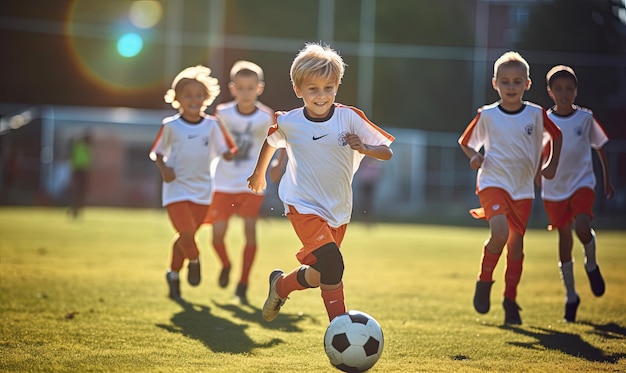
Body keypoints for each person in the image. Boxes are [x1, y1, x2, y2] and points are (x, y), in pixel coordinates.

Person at [247, 42, 395, 323]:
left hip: (338, 210)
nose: (321, 95)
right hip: (302, 205)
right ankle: (340, 327)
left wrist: (364, 147)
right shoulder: (290, 122)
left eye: (328, 87)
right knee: (334, 264)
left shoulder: (349, 118)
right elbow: (270, 142)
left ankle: (280, 286)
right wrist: (259, 175)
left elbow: (386, 151)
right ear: (298, 90)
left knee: (321, 274)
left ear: (337, 86)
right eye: (313, 89)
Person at [458, 51, 563, 325]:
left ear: (527, 84)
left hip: (523, 189)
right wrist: (475, 157)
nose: (511, 86)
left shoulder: (536, 114)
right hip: (493, 182)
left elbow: (557, 135)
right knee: (501, 233)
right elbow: (466, 142)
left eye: (517, 81)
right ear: (495, 84)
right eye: (505, 81)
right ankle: (484, 281)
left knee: (516, 248)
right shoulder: (488, 115)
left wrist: (550, 164)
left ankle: (510, 300)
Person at [150, 65, 238, 300]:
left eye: (199, 95)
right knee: (187, 232)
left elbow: (226, 149)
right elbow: (157, 153)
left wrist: (229, 154)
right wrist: (164, 169)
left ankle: (173, 275)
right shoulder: (170, 126)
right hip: (176, 188)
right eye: (188, 95)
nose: (194, 99)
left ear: (206, 98)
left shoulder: (212, 125)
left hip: (203, 190)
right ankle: (195, 260)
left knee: (184, 237)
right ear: (177, 98)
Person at [540, 65, 614, 322]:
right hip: (554, 189)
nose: (564, 94)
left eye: (569, 89)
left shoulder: (585, 118)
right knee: (563, 236)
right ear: (550, 92)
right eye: (558, 89)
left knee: (582, 227)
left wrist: (606, 180)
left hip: (582, 182)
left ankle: (591, 264)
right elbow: (535, 156)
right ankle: (571, 296)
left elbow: (600, 147)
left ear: (576, 91)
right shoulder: (543, 122)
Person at [206, 61, 274, 304]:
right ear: (233, 88)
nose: (246, 92)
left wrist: (275, 165)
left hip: (250, 183)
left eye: (251, 87)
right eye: (241, 87)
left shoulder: (267, 116)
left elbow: (279, 141)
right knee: (217, 235)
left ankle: (243, 283)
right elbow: (213, 142)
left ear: (260, 88)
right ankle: (225, 264)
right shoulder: (222, 113)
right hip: (223, 182)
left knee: (250, 232)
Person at [69, 131, 92, 218]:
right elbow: (73, 156)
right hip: (78, 170)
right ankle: (74, 210)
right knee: (77, 192)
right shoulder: (79, 145)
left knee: (82, 193)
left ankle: (79, 210)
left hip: (84, 171)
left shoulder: (88, 148)